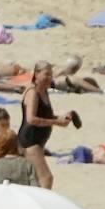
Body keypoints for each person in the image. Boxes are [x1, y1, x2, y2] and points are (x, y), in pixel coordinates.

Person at [18, 60, 75, 188]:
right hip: (30, 141)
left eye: (51, 74)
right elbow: (31, 119)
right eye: (46, 74)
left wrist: (61, 118)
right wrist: (57, 122)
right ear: (36, 74)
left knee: (33, 179)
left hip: (39, 141)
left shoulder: (44, 91)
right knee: (46, 178)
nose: (49, 77)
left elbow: (45, 116)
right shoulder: (32, 92)